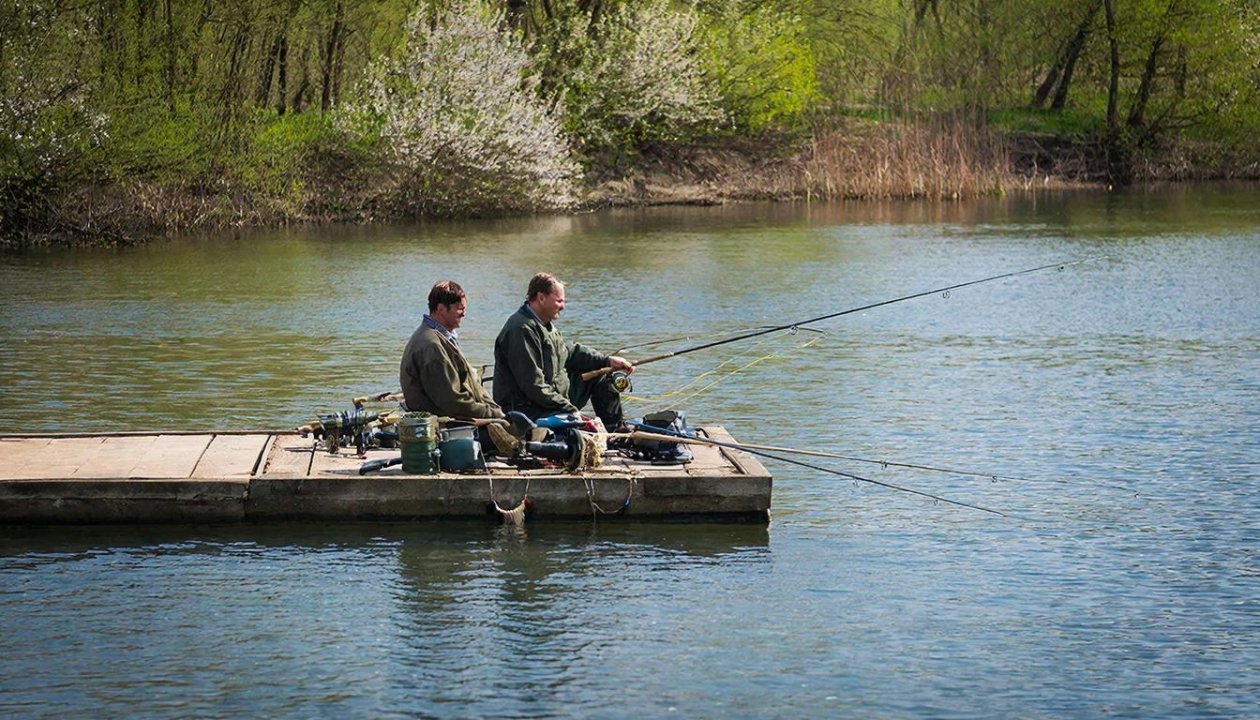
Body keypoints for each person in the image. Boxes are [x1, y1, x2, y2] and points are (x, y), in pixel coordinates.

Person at [493, 272, 633, 429]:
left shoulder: (546, 324)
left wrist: (607, 360)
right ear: (541, 297)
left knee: (603, 376)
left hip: (554, 399)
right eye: (559, 301)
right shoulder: (520, 330)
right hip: (528, 409)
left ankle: (615, 430)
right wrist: (569, 409)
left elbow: (570, 352)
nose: (563, 306)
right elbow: (534, 385)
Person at [400, 280, 503, 421]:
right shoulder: (432, 345)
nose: (463, 314)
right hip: (446, 425)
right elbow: (452, 401)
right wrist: (494, 414)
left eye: (464, 309)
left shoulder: (438, 337)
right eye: (459, 308)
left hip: (455, 417)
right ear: (441, 309)